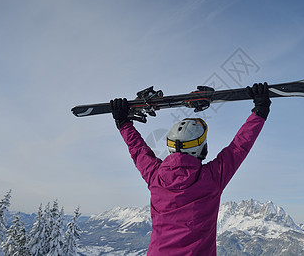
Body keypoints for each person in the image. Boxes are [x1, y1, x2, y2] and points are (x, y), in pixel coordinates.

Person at [110, 82, 271, 255]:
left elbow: (137, 150)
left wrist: (123, 123)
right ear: (201, 148)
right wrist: (260, 110)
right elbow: (239, 147)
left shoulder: (155, 176)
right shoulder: (212, 178)